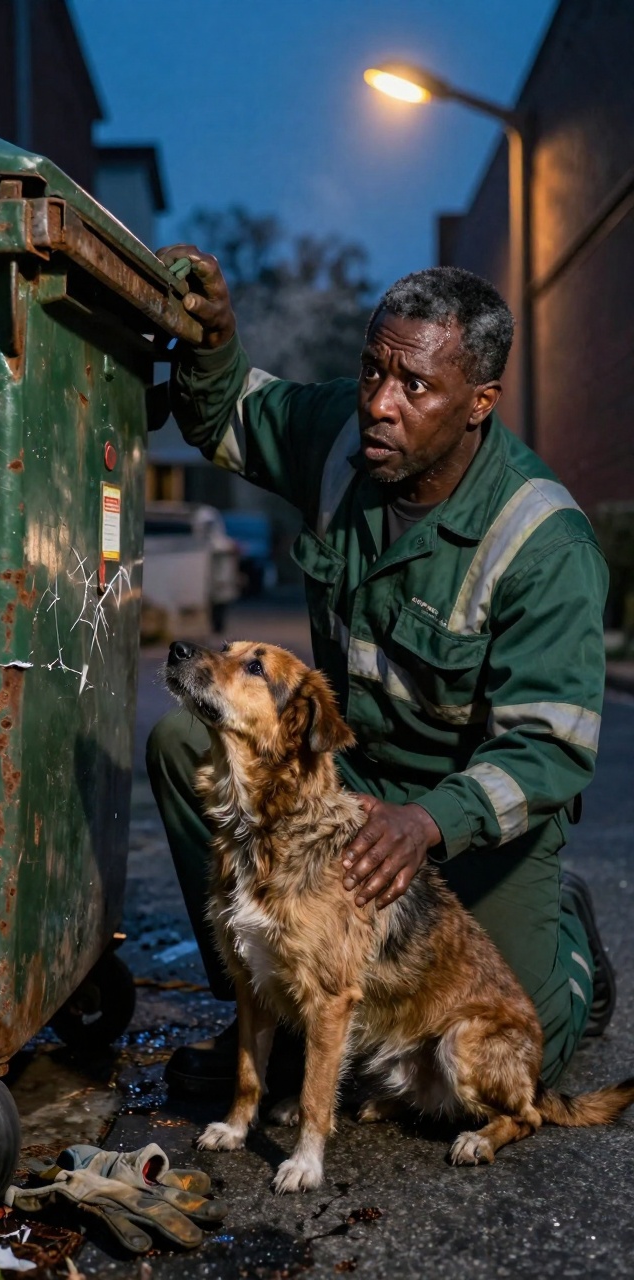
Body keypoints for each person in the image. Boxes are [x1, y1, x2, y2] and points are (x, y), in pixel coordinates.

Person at [146, 248, 616, 1100]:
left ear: (479, 404)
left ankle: (572, 953)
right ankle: (273, 1010)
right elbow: (228, 414)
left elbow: (550, 748)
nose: (379, 403)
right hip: (353, 777)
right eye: (372, 368)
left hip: (470, 828)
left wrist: (428, 825)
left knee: (508, 1066)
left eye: (415, 388)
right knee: (189, 738)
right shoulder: (343, 436)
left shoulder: (544, 542)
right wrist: (215, 339)